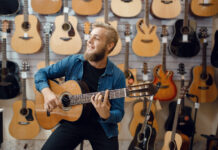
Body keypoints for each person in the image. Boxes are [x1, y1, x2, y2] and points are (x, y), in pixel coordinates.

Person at [34, 22, 126, 150]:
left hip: (101, 127)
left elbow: (119, 113)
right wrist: (47, 92)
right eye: (90, 36)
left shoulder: (118, 76)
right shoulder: (74, 61)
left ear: (109, 46)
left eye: (96, 38)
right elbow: (40, 73)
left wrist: (107, 115)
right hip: (72, 122)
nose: (89, 41)